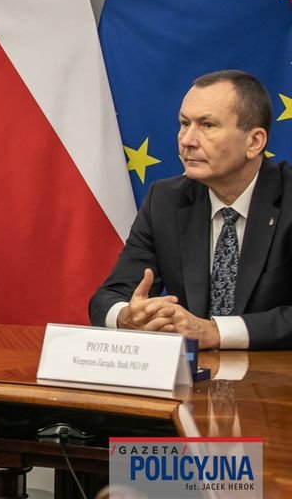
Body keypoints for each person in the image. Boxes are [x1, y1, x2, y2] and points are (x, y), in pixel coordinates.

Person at [90, 69, 292, 350]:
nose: (187, 140)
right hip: (193, 372)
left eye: (207, 125)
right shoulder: (165, 200)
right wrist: (127, 316)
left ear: (254, 142)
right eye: (184, 124)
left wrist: (215, 331)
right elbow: (108, 297)